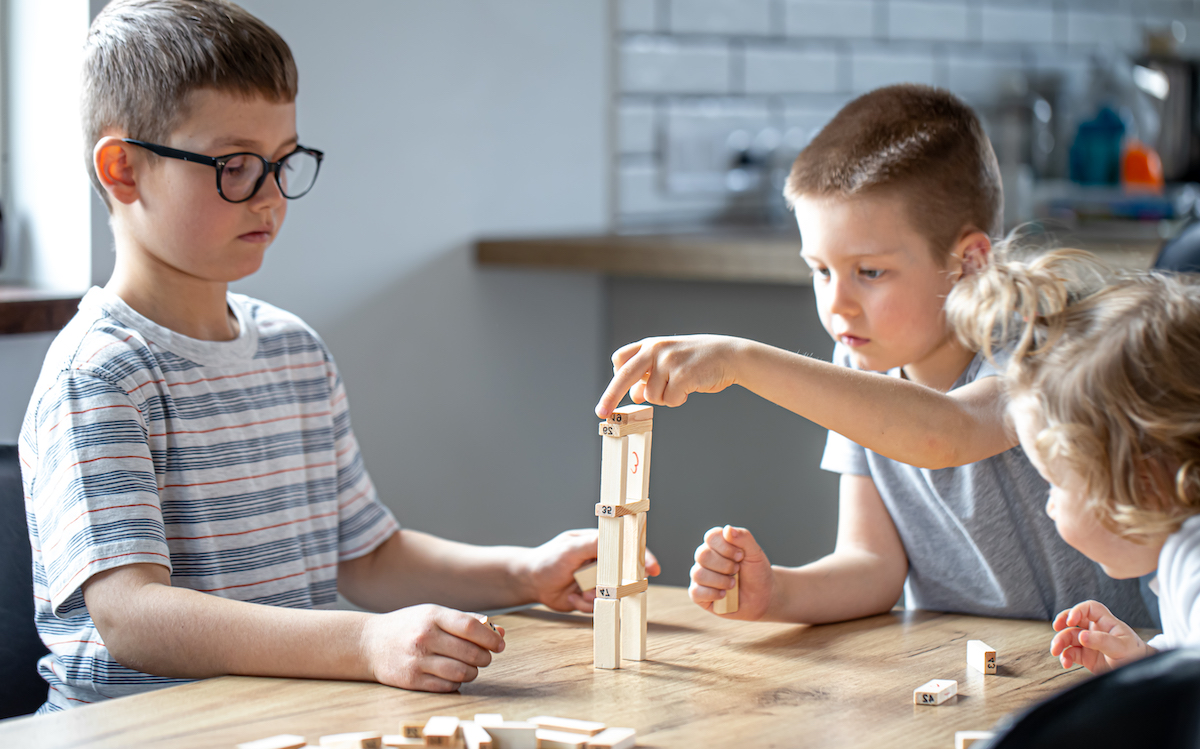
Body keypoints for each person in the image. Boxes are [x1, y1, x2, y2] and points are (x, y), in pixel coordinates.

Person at [19, 0, 653, 712]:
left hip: (277, 716)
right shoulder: (102, 374)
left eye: (284, 163)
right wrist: (363, 643)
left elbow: (368, 555)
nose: (270, 197)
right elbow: (132, 617)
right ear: (124, 170)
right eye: (235, 166)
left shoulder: (295, 351)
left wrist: (523, 571)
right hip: (136, 729)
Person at [595, 84, 1150, 628]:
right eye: (820, 270)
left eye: (870, 272)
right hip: (958, 673)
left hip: (1102, 667)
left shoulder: (1040, 348)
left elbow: (945, 433)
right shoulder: (860, 364)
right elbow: (872, 565)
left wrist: (740, 359)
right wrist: (774, 592)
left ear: (970, 262)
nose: (839, 304)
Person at [946, 249, 1200, 674]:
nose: (1049, 505)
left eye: (1056, 484)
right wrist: (1145, 662)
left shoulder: (1193, 564)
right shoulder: (1181, 556)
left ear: (1143, 483)